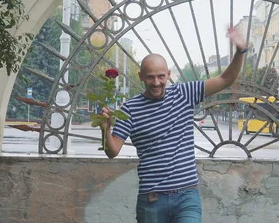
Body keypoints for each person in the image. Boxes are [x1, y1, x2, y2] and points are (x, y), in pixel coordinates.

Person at [100, 27, 247, 223]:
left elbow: (225, 79)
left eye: (161, 76)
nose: (156, 82)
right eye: (150, 77)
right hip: (152, 201)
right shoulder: (130, 109)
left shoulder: (185, 94)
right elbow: (113, 151)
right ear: (140, 76)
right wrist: (106, 129)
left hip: (187, 196)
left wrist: (240, 51)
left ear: (168, 75)